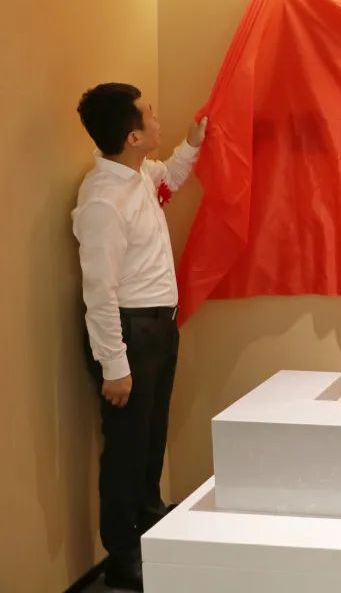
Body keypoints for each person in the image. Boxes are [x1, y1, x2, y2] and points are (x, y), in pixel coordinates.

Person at [73, 82, 207, 591]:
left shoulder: (137, 175)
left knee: (151, 436)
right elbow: (99, 292)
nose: (157, 118)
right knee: (126, 447)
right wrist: (115, 365)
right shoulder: (103, 202)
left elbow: (170, 176)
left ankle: (151, 520)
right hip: (130, 332)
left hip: (158, 326)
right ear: (132, 137)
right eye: (149, 113)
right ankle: (123, 554)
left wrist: (192, 143)